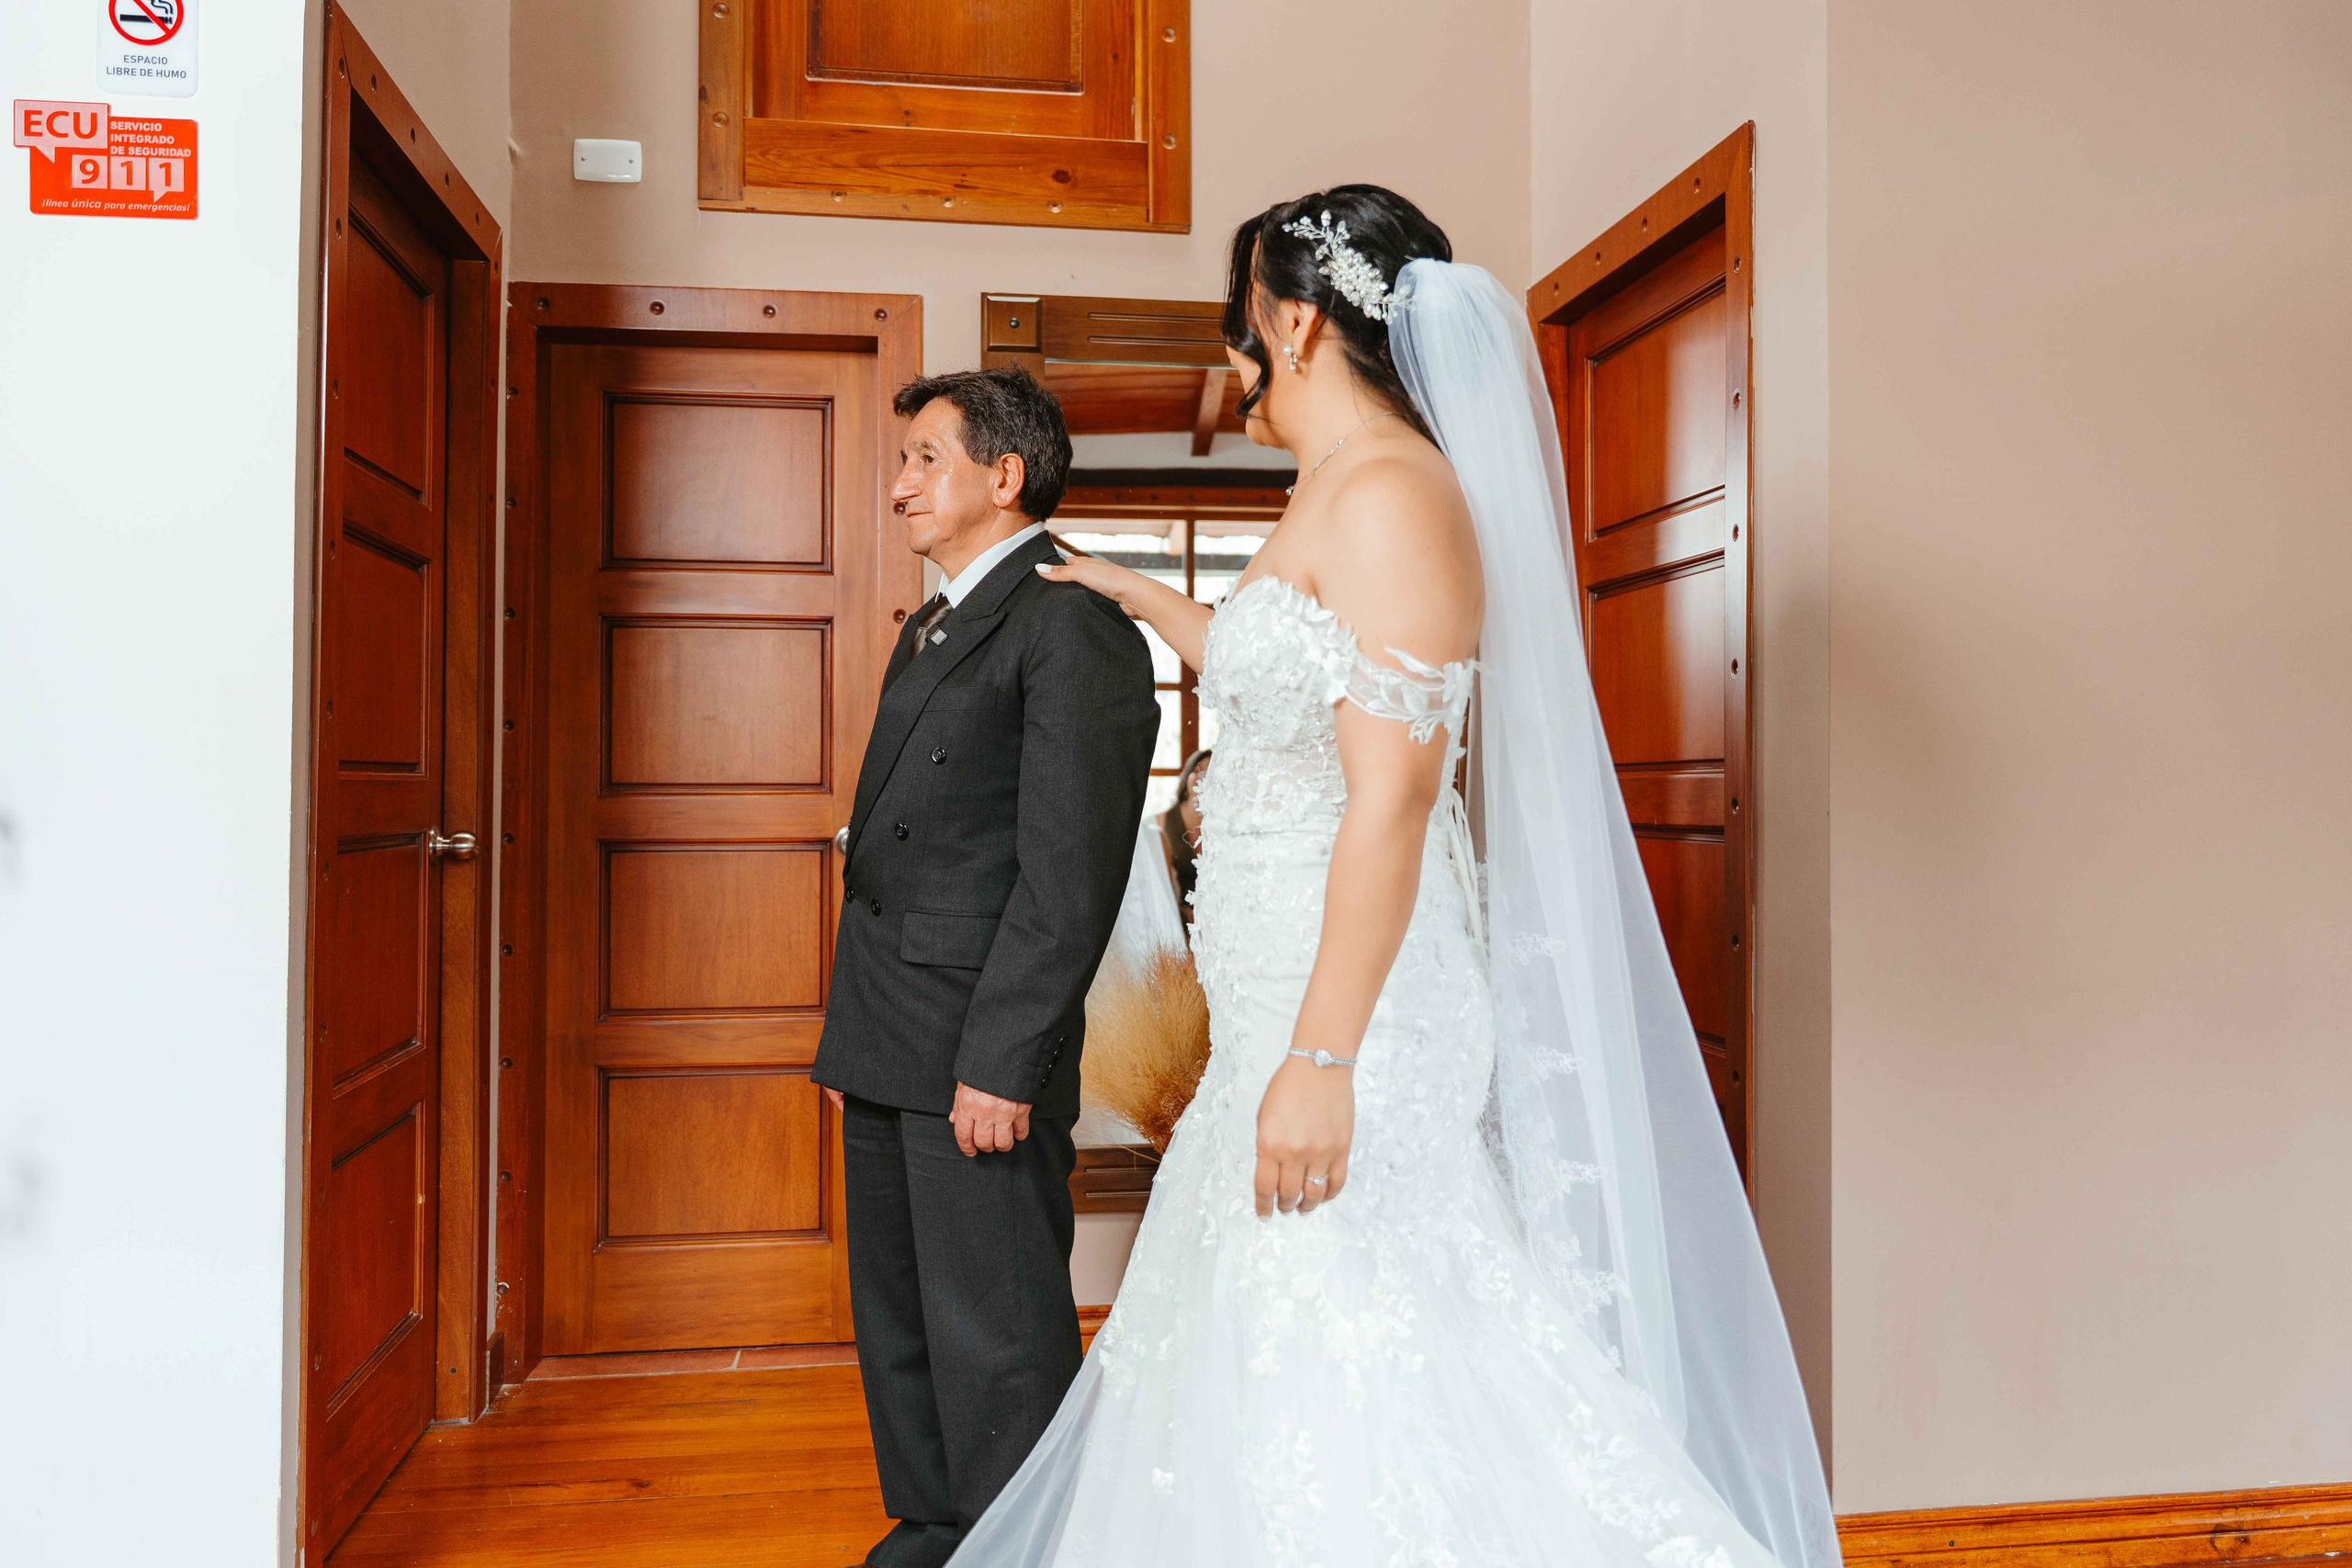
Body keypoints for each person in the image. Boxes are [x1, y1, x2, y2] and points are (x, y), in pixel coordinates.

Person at [940, 188, 1838, 1568]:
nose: (1234, 355)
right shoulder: (1336, 494)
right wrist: (1136, 592)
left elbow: (1397, 798)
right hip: (1280, 1006)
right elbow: (1285, 669)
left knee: (1362, 1323)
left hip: (1349, 1010)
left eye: (1242, 321)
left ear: (1294, 321)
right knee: (1269, 1327)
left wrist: (1322, 1053)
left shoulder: (1401, 497)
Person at [809, 367, 1159, 1568]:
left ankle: (1028, 1543)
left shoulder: (1072, 624)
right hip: (888, 1021)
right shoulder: (939, 618)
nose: (899, 481)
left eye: (926, 458)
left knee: (996, 1328)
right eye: (900, 459)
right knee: (901, 1311)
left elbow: (1069, 873)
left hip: (979, 1042)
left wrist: (1003, 1059)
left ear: (1003, 477)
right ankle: (935, 1530)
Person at [1159, 747, 1211, 921]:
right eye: (1198, 770)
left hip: (1213, 913)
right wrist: (1178, 908)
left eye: (1211, 773)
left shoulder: (1224, 825)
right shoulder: (1161, 823)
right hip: (1172, 914)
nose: (1203, 777)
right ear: (1187, 776)